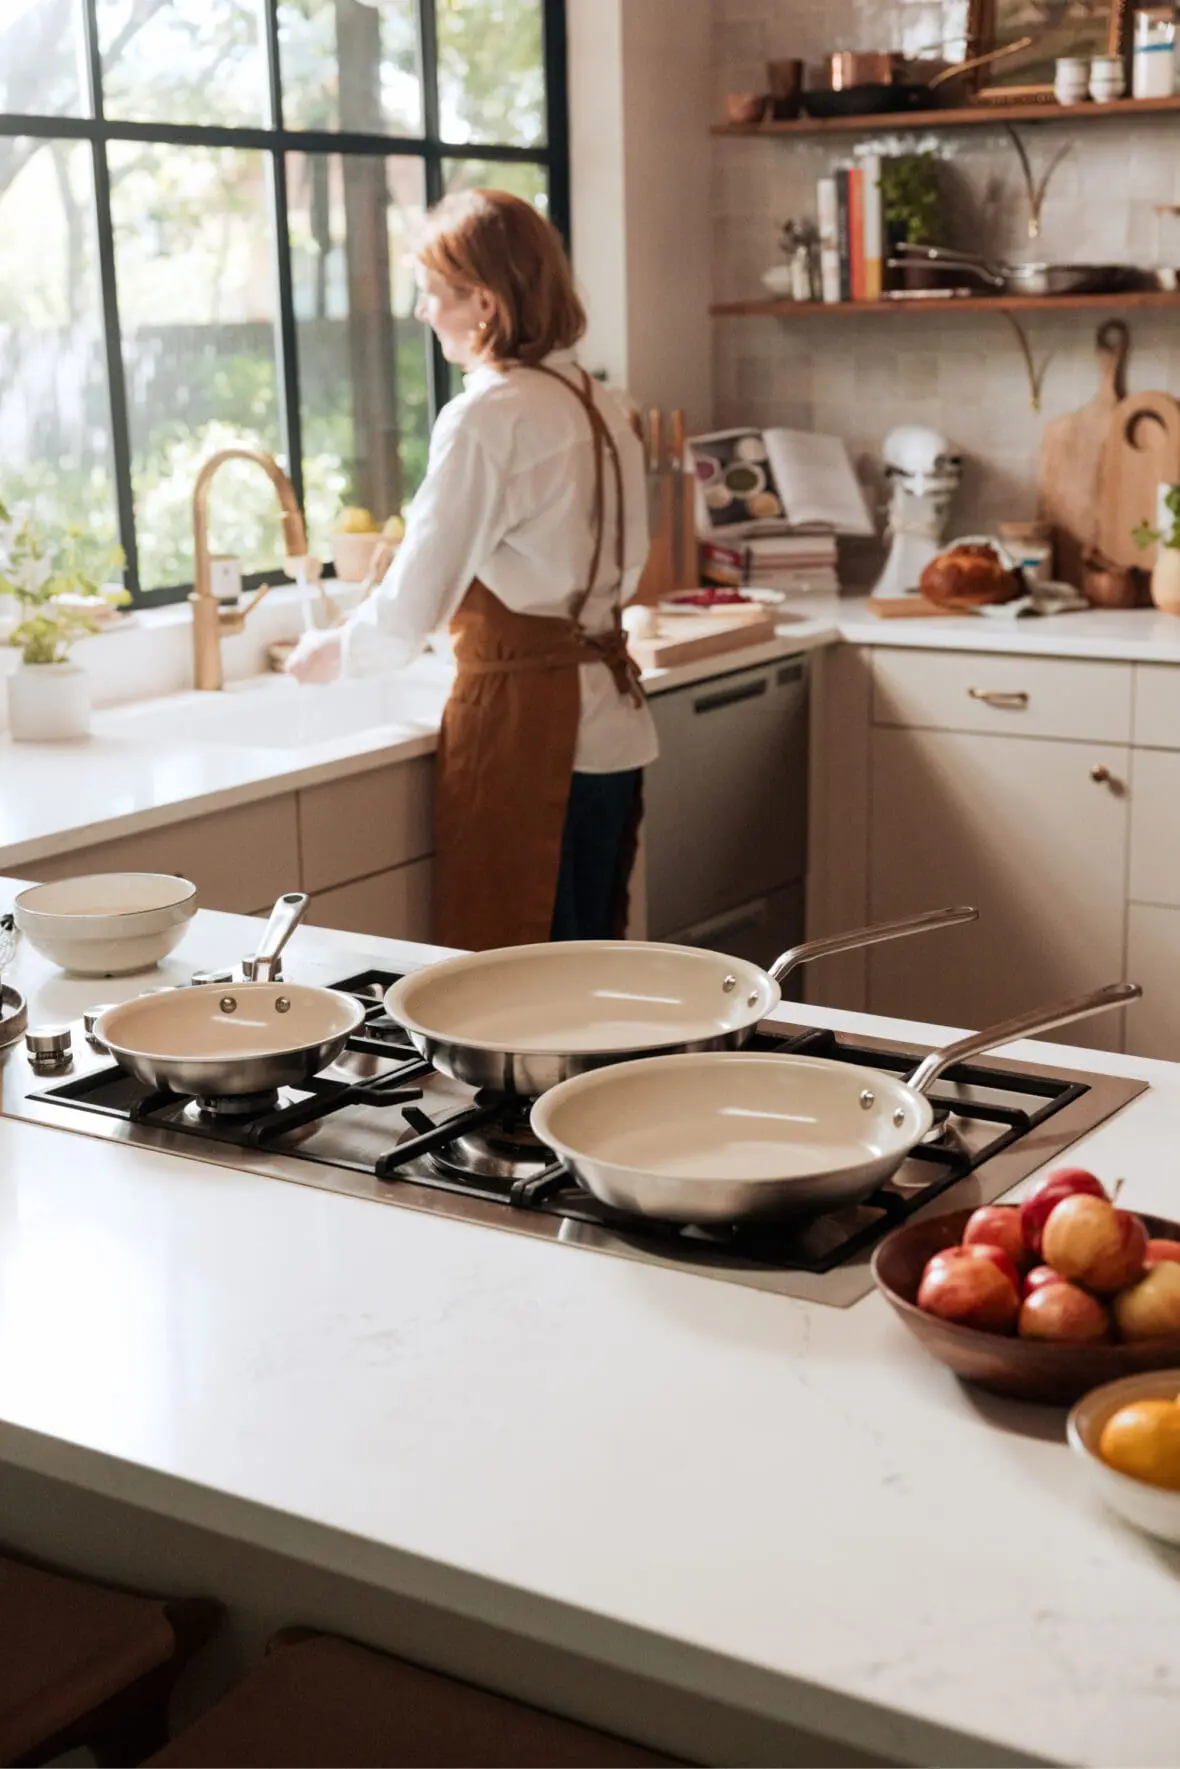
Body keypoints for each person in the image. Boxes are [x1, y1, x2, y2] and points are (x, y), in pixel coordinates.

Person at [285, 188, 658, 951]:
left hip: (530, 735)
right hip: (610, 732)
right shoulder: (602, 402)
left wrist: (332, 653)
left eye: (432, 292)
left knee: (516, 992)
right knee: (590, 982)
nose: (422, 311)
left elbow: (418, 596)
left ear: (483, 303)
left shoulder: (489, 415)